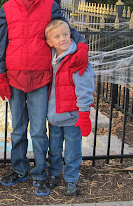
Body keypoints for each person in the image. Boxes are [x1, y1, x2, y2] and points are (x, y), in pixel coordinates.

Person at [0, 0, 89, 196]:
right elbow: (1, 42)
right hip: (15, 76)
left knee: (38, 130)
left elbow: (65, 29)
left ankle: (40, 174)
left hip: (40, 78)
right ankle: (19, 169)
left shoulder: (50, 7)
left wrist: (82, 44)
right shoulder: (7, 8)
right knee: (17, 129)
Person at [44, 19, 95, 196]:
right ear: (50, 42)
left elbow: (84, 87)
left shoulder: (78, 59)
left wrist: (84, 113)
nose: (63, 39)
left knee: (73, 151)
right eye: (57, 36)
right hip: (55, 116)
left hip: (73, 116)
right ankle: (55, 173)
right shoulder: (51, 58)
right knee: (55, 149)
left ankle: (71, 179)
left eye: (65, 34)